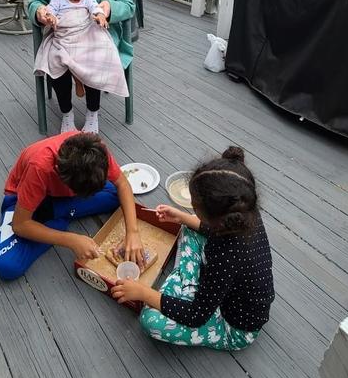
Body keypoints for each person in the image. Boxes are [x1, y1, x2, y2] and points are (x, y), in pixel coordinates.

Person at [112, 146, 275, 350]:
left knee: (150, 321)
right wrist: (182, 217)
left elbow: (195, 316)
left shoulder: (226, 256)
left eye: (194, 206)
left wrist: (143, 292)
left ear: (217, 218)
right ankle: (187, 284)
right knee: (188, 228)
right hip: (224, 287)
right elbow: (211, 231)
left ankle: (185, 284)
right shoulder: (244, 212)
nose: (192, 207)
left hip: (232, 326)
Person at [28, 0, 135, 135]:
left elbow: (128, 5)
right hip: (63, 34)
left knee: (94, 56)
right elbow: (35, 0)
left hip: (98, 35)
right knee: (57, 58)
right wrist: (40, 12)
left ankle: (92, 114)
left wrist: (109, 8)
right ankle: (66, 114)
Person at [0, 131, 144, 280]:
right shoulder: (39, 167)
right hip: (23, 200)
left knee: (117, 196)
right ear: (59, 172)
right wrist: (71, 240)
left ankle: (56, 214)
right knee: (7, 266)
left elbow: (122, 184)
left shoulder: (96, 151)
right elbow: (19, 225)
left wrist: (133, 232)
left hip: (65, 196)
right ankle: (55, 216)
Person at [34, 0, 129, 107]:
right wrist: (50, 17)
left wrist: (101, 15)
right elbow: (50, 11)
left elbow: (95, 8)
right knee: (57, 59)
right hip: (66, 36)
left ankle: (91, 109)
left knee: (100, 52)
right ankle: (70, 104)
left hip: (86, 36)